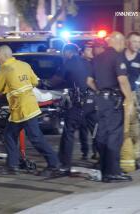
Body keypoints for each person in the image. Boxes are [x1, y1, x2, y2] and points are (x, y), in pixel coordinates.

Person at [0, 45, 60, 177]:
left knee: (36, 138)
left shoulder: (5, 68)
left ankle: (54, 164)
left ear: (3, 56)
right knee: (9, 134)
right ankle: (12, 165)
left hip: (23, 109)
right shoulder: (24, 65)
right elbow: (34, 82)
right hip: (24, 108)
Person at [87, 32, 133, 183]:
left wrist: (100, 91)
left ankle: (105, 170)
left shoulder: (98, 58)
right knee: (115, 136)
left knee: (102, 135)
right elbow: (123, 80)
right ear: (117, 41)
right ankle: (113, 173)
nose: (124, 46)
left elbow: (89, 81)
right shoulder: (117, 57)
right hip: (114, 101)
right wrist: (129, 99)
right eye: (123, 42)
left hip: (101, 101)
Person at [45, 44, 97, 174]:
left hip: (79, 103)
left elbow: (55, 81)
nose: (63, 56)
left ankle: (65, 164)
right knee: (96, 130)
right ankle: (105, 159)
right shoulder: (87, 63)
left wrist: (43, 84)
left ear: (68, 53)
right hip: (92, 101)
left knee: (68, 131)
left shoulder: (69, 63)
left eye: (64, 54)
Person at [120, 31, 140, 172]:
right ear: (127, 42)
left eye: (139, 41)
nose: (137, 44)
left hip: (131, 97)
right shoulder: (119, 56)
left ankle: (135, 158)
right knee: (119, 130)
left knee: (133, 131)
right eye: (134, 41)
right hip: (117, 96)